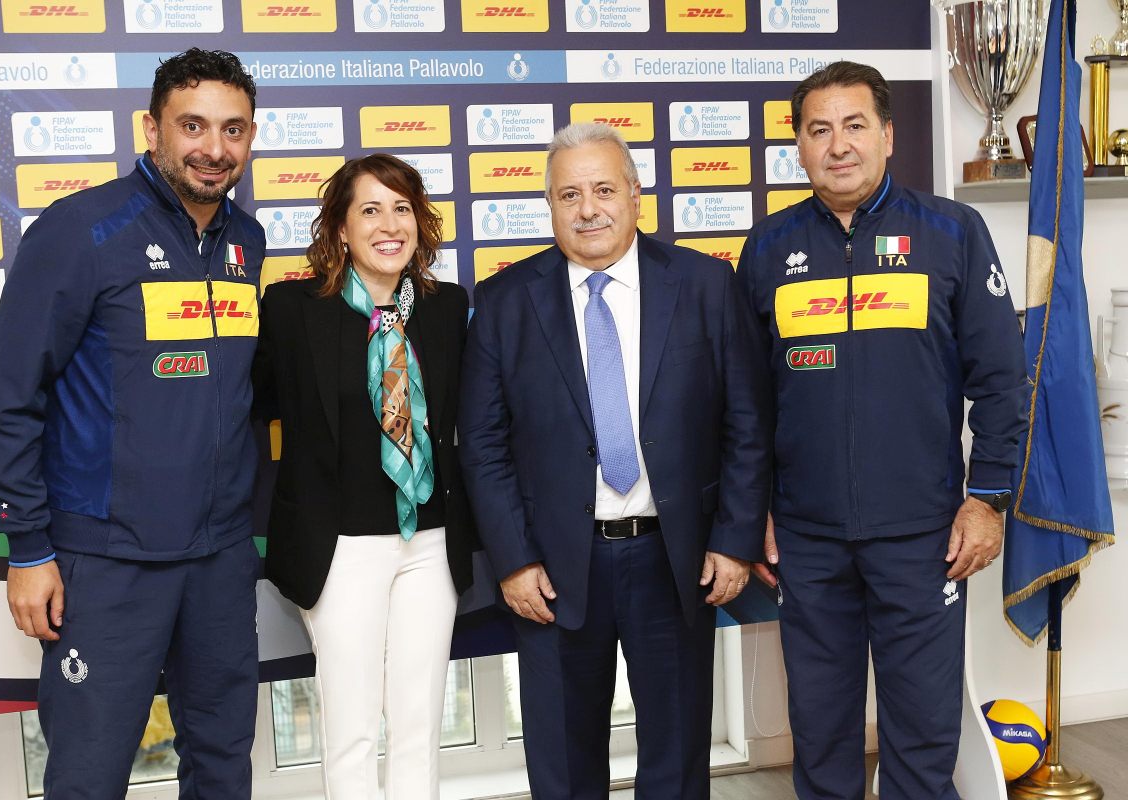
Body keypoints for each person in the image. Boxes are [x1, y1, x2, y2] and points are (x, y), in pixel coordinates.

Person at [0, 48, 265, 798]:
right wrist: (28, 547)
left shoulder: (246, 241)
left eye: (233, 129)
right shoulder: (81, 229)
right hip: (107, 563)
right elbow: (10, 396)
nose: (214, 148)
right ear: (151, 129)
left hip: (220, 557)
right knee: (89, 776)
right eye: (193, 126)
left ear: (250, 136)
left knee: (224, 763)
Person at [737, 61, 1028, 799]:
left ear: (888, 136)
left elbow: (1002, 382)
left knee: (924, 735)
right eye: (819, 130)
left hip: (924, 536)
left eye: (855, 125)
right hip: (806, 539)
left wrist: (987, 500)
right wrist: (754, 510)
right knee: (821, 733)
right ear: (799, 146)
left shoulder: (953, 233)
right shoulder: (766, 248)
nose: (838, 145)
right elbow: (747, 402)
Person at [458, 122, 771, 799]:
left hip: (675, 560)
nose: (588, 209)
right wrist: (513, 560)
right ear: (549, 206)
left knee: (678, 758)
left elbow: (747, 422)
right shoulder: (505, 301)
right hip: (553, 571)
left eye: (603, 189)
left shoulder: (705, 284)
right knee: (564, 765)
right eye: (569, 194)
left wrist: (735, 540)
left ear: (635, 195)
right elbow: (482, 444)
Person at [252, 154, 477, 799]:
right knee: (351, 730)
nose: (389, 225)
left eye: (402, 209)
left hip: (429, 542)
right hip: (340, 546)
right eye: (370, 210)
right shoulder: (292, 309)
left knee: (418, 724)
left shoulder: (446, 307)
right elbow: (256, 403)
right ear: (341, 229)